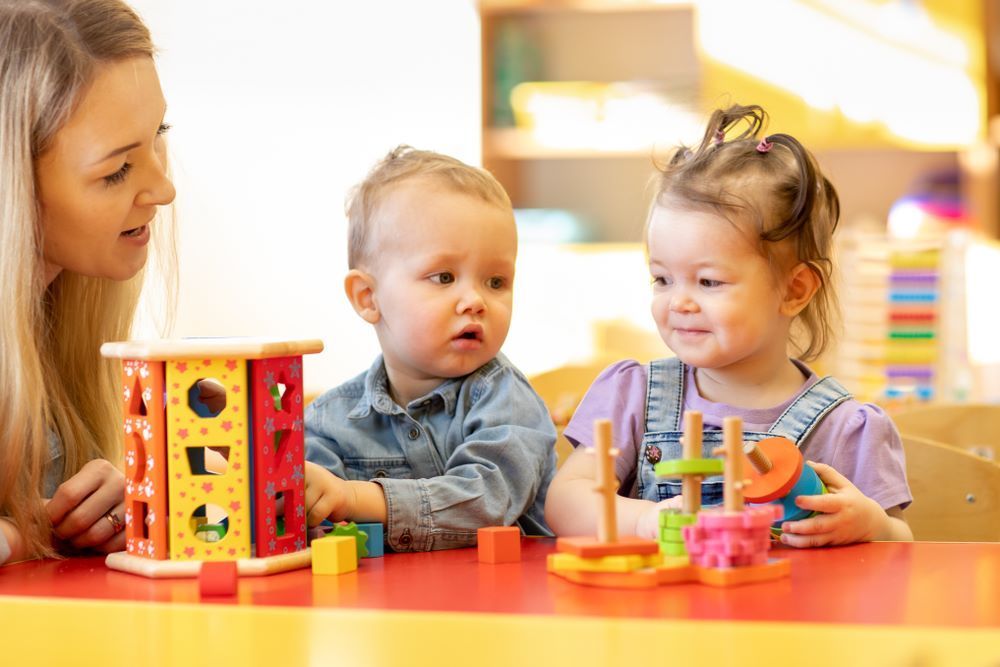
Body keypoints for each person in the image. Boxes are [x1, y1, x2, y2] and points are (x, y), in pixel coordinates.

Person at [545, 105, 912, 547]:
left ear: (794, 290)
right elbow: (565, 502)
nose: (678, 301)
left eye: (708, 281)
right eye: (662, 278)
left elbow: (899, 549)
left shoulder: (845, 429)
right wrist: (645, 521)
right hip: (654, 614)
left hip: (785, 615)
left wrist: (873, 526)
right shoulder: (632, 396)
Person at [304, 146, 557, 551]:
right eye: (444, 277)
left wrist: (354, 498)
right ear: (368, 297)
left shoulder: (507, 400)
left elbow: (489, 501)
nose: (475, 300)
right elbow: (311, 526)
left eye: (496, 282)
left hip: (506, 604)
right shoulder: (328, 421)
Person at [0, 0, 176, 566]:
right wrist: (28, 535)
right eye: (117, 170)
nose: (163, 189)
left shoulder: (58, 337)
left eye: (159, 135)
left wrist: (118, 502)